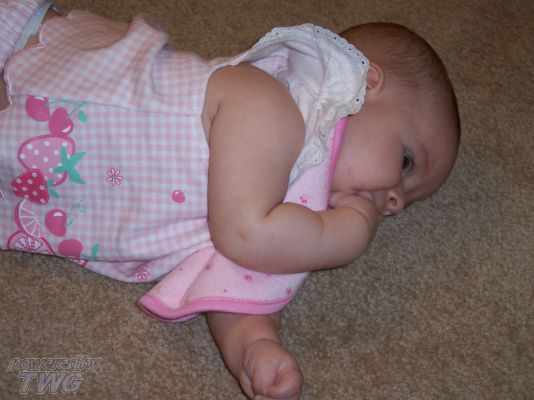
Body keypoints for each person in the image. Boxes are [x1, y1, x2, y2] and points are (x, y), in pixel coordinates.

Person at [0, 1, 459, 399]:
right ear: (366, 83)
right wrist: (343, 236)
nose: (394, 201)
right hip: (26, 56)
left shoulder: (284, 209)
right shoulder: (271, 103)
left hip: (29, 172)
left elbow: (232, 278)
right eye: (406, 162)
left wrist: (254, 346)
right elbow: (244, 236)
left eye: (408, 199)